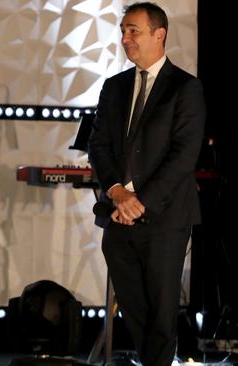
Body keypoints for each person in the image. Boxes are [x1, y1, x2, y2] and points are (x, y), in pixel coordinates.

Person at [88, 2, 205, 366]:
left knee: (161, 306)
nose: (125, 38)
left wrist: (142, 202)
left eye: (133, 30)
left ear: (160, 34)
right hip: (119, 215)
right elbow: (98, 145)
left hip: (165, 218)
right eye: (123, 30)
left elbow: (183, 157)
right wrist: (118, 193)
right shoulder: (114, 87)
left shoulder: (185, 88)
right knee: (134, 305)